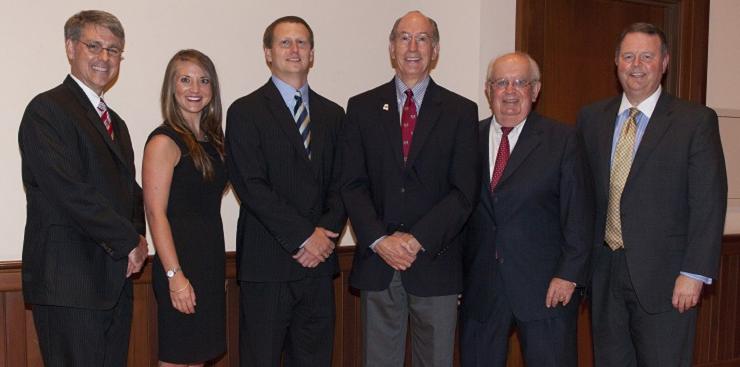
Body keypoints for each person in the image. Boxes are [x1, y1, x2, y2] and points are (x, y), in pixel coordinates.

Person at [577, 22, 727, 366]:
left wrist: (693, 273)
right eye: (628, 56)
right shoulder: (591, 118)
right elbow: (582, 197)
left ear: (665, 62)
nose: (637, 65)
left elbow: (708, 202)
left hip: (667, 280)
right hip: (603, 274)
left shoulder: (695, 121)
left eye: (647, 56)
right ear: (616, 62)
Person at [341, 10, 478, 366]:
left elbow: (464, 192)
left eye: (422, 39)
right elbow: (352, 184)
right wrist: (381, 240)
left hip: (435, 262)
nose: (412, 46)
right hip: (378, 262)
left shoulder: (461, 111)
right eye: (404, 37)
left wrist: (416, 240)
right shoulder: (361, 107)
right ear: (391, 47)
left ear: (435, 50)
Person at [17, 10, 148, 367]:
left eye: (114, 50)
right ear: (71, 47)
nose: (104, 57)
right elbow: (69, 190)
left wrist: (138, 239)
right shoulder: (46, 111)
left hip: (113, 281)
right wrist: (128, 241)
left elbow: (129, 192)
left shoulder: (116, 124)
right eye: (95, 46)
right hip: (69, 283)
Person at [225, 16, 346, 367]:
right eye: (285, 43)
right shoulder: (245, 111)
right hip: (268, 265)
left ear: (312, 54)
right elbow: (250, 185)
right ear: (268, 53)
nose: (294, 50)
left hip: (319, 268)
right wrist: (304, 236)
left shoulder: (333, 114)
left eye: (302, 43)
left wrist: (322, 239)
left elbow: (344, 184)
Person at [459, 52, 592, 367]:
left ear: (536, 90)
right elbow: (457, 210)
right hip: (481, 289)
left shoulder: (563, 140)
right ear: (488, 90)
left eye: (520, 82)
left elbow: (580, 214)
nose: (510, 91)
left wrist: (569, 275)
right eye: (501, 82)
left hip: (546, 289)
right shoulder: (466, 138)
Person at [143, 49, 227, 367]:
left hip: (208, 264)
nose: (195, 89)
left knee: (199, 358)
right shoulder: (164, 141)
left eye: (203, 80)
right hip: (178, 264)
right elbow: (155, 213)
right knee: (178, 359)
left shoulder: (214, 140)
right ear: (172, 87)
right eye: (186, 80)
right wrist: (175, 275)